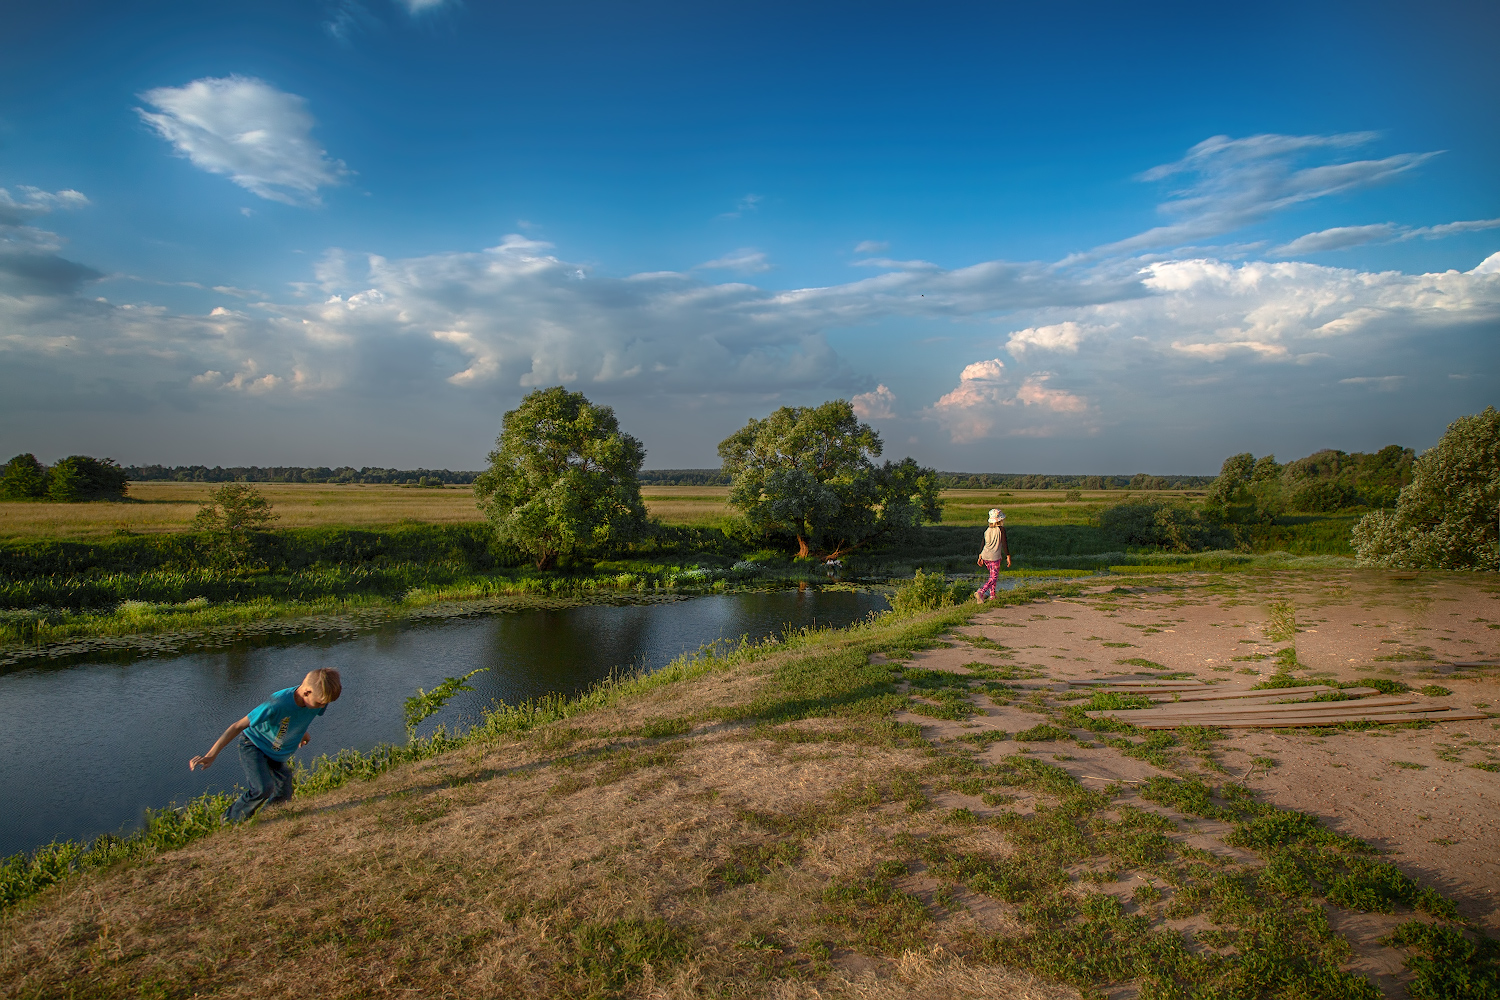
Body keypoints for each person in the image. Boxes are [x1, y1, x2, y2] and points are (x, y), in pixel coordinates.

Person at [190, 668, 342, 822]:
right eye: (320, 703)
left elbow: (296, 717)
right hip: (254, 745)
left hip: (277, 751)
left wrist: (302, 733)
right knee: (263, 788)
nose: (322, 706)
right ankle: (230, 821)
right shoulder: (277, 703)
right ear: (307, 692)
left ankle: (271, 819)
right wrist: (211, 754)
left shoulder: (318, 700)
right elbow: (237, 726)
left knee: (284, 790)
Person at [974, 508, 1011, 602]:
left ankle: (992, 595)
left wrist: (980, 555)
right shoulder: (1001, 530)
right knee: (993, 577)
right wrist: (1008, 555)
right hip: (994, 557)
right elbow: (1004, 543)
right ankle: (981, 592)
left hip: (985, 555)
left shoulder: (987, 530)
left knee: (992, 575)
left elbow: (983, 543)